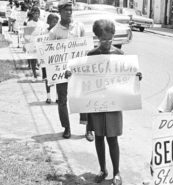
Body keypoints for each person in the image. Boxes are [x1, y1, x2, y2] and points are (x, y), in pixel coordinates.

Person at [78, 19, 142, 185]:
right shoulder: (91, 56)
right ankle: (102, 169)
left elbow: (128, 77)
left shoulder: (120, 56)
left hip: (113, 105)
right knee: (99, 137)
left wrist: (136, 76)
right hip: (97, 105)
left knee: (112, 139)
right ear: (97, 37)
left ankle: (117, 172)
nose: (106, 43)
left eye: (110, 40)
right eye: (103, 39)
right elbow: (84, 80)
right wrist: (72, 75)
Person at [49, 0, 85, 139]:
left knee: (84, 96)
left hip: (78, 68)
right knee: (62, 100)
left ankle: (87, 128)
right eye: (66, 10)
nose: (69, 12)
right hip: (61, 71)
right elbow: (50, 54)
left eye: (71, 10)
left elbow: (84, 45)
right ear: (60, 12)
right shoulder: (54, 32)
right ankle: (66, 127)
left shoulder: (79, 26)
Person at [42, 13, 59, 104]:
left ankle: (57, 97)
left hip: (56, 58)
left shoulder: (58, 31)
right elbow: (40, 46)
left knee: (57, 77)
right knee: (47, 79)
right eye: (53, 21)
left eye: (56, 22)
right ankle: (48, 96)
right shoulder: (44, 32)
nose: (55, 23)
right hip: (46, 59)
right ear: (48, 22)